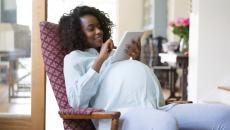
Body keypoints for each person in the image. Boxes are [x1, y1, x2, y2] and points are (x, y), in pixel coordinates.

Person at [59, 5, 230, 130]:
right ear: (78, 33)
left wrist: (136, 59)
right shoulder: (74, 59)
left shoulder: (111, 52)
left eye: (99, 26)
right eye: (91, 29)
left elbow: (131, 78)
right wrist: (99, 60)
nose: (99, 31)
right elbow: (76, 101)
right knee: (164, 123)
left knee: (224, 115)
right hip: (121, 114)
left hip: (156, 107)